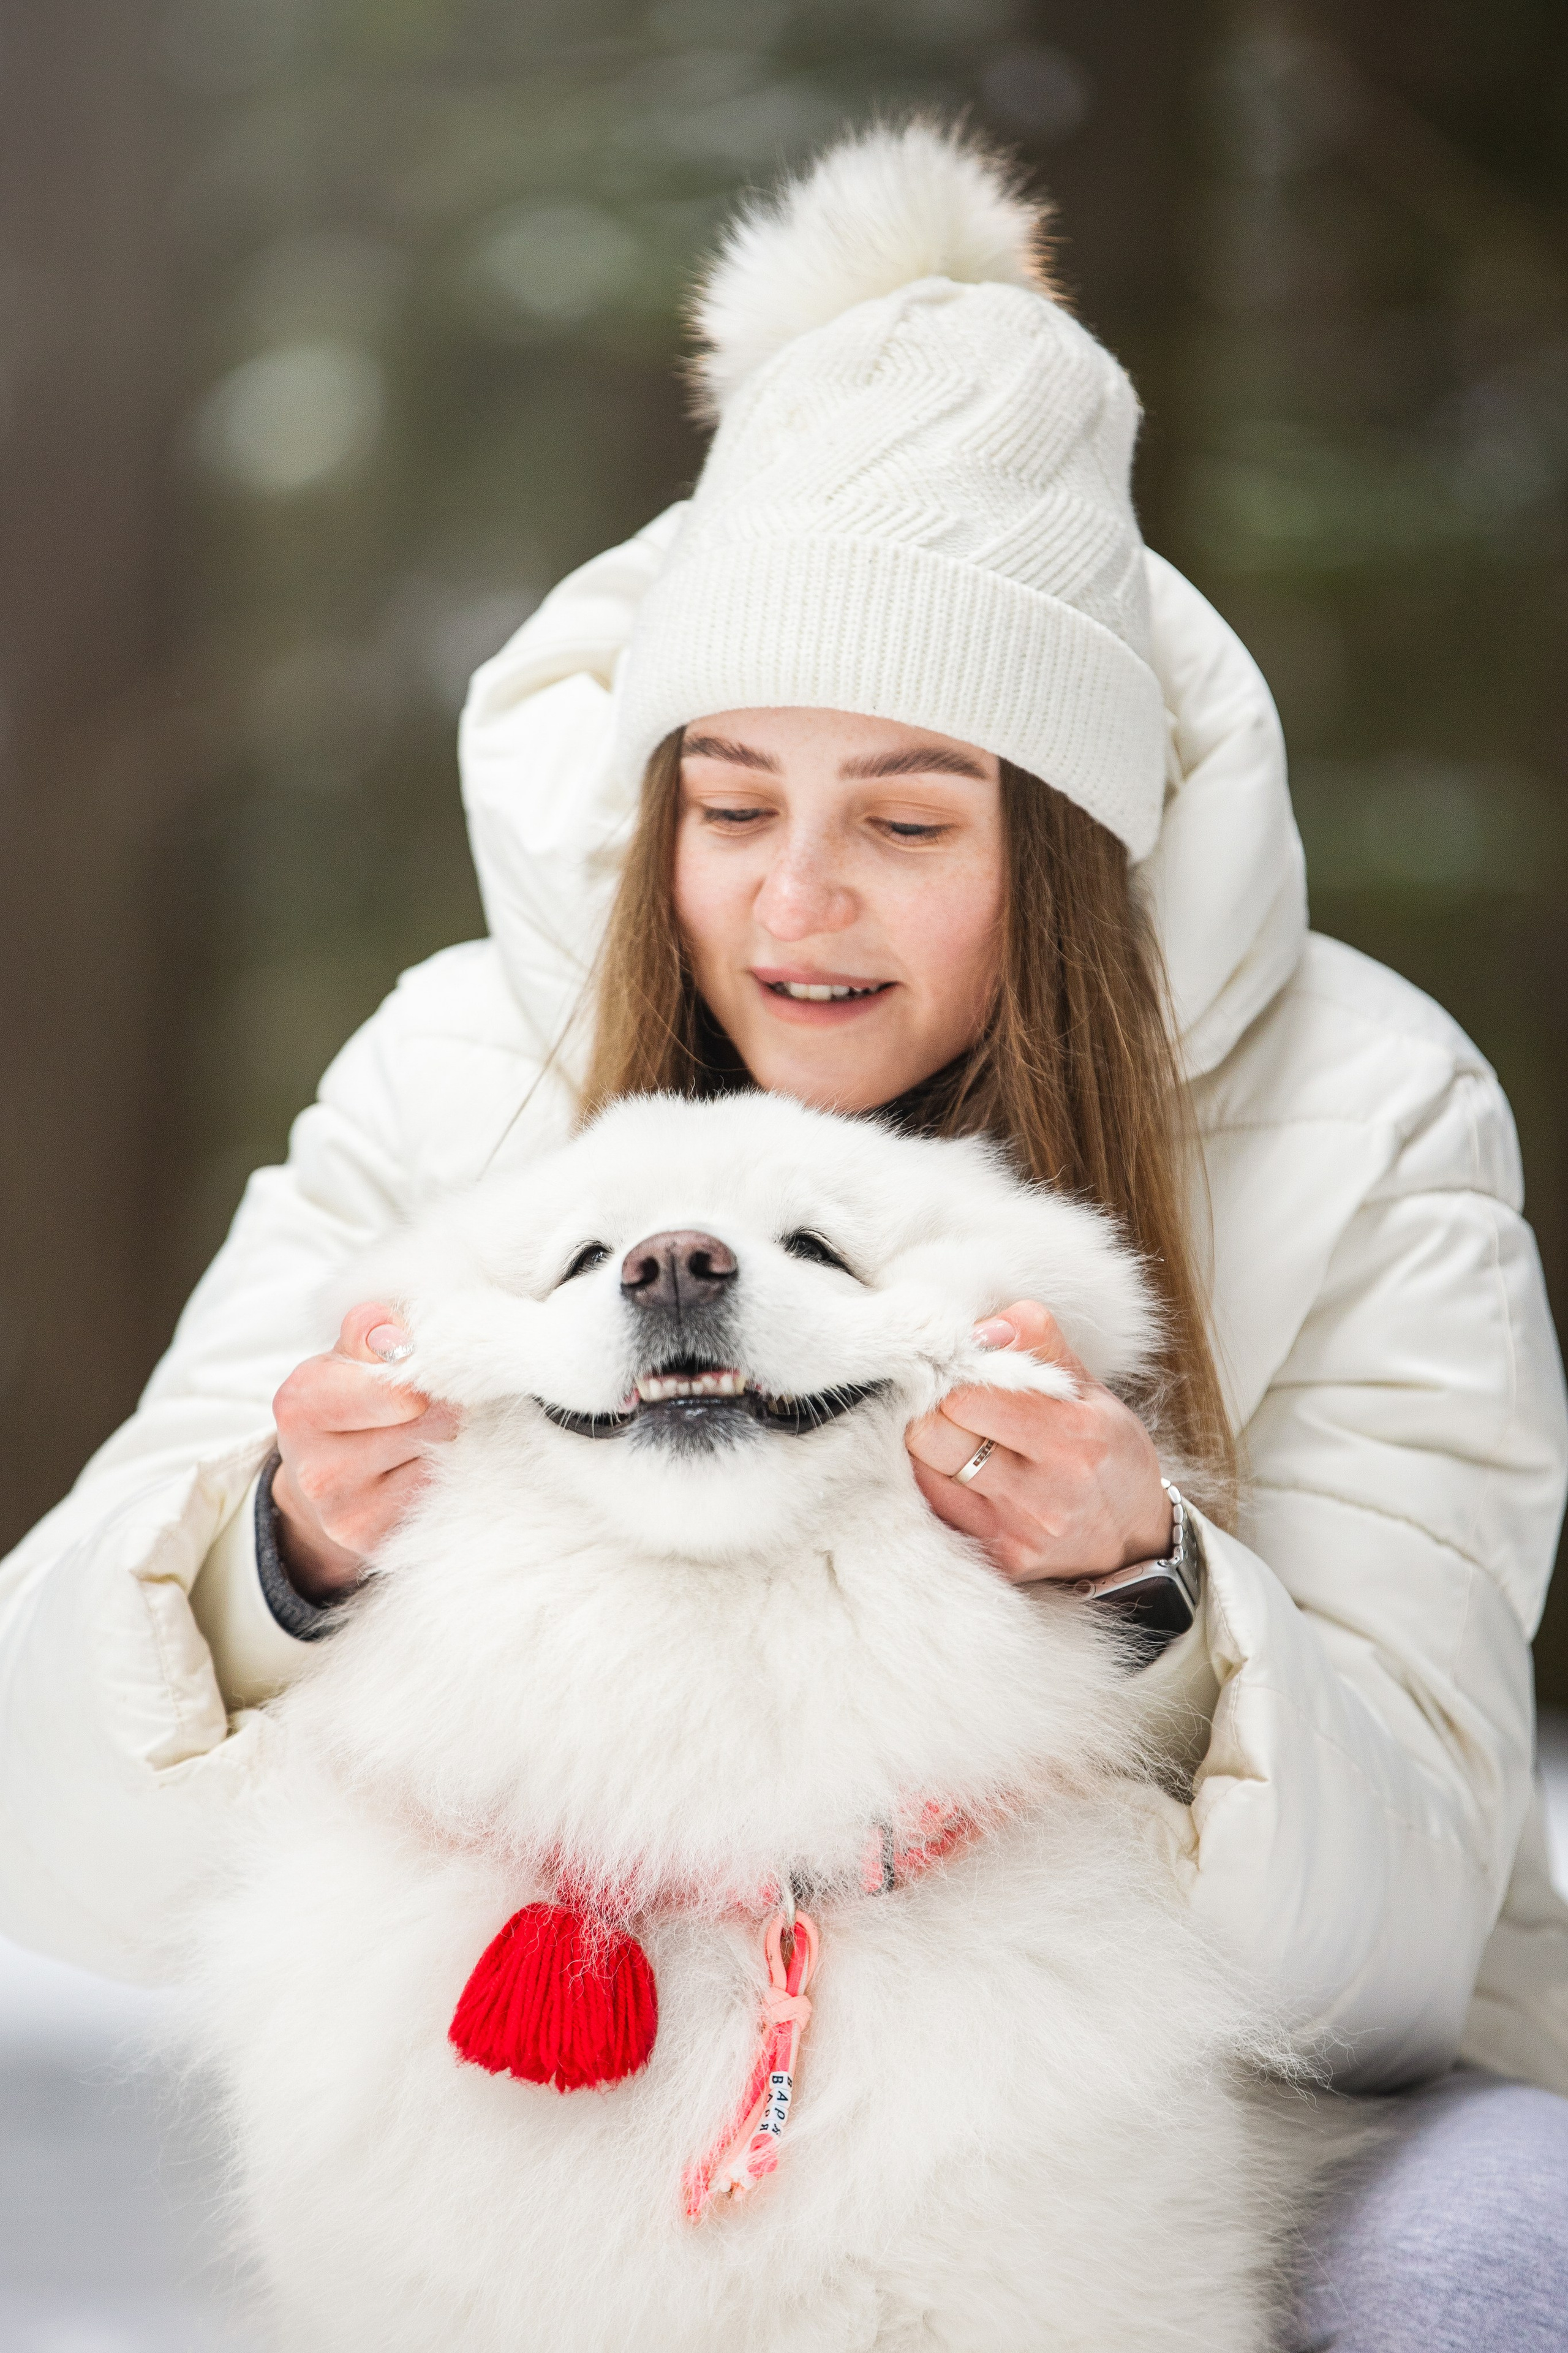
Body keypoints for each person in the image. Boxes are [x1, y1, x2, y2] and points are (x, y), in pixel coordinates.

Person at [4, 120, 1568, 2349]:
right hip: (568, 2048)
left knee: (1505, 2262)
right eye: (728, 805)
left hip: (1248, 2084)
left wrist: (1156, 1601)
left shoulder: (1361, 1107)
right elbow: (48, 1806)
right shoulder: (470, 1076)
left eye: (906, 820)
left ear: (1077, 844)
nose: (791, 900)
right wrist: (280, 1568)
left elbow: (1403, 1913)